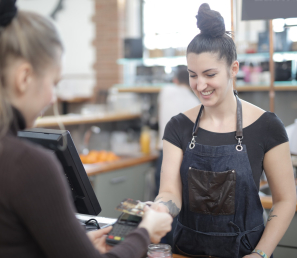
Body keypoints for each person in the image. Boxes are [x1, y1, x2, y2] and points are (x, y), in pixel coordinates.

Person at [0, 1, 172, 258]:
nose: (52, 98)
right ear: (24, 78)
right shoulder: (30, 165)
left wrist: (76, 244)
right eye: (54, 83)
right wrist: (144, 232)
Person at [151, 3, 296, 258]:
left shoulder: (267, 127)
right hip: (187, 252)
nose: (200, 85)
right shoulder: (178, 126)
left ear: (233, 69)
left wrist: (260, 254)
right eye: (193, 75)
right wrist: (161, 209)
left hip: (247, 252)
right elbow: (170, 191)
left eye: (210, 74)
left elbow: (285, 200)